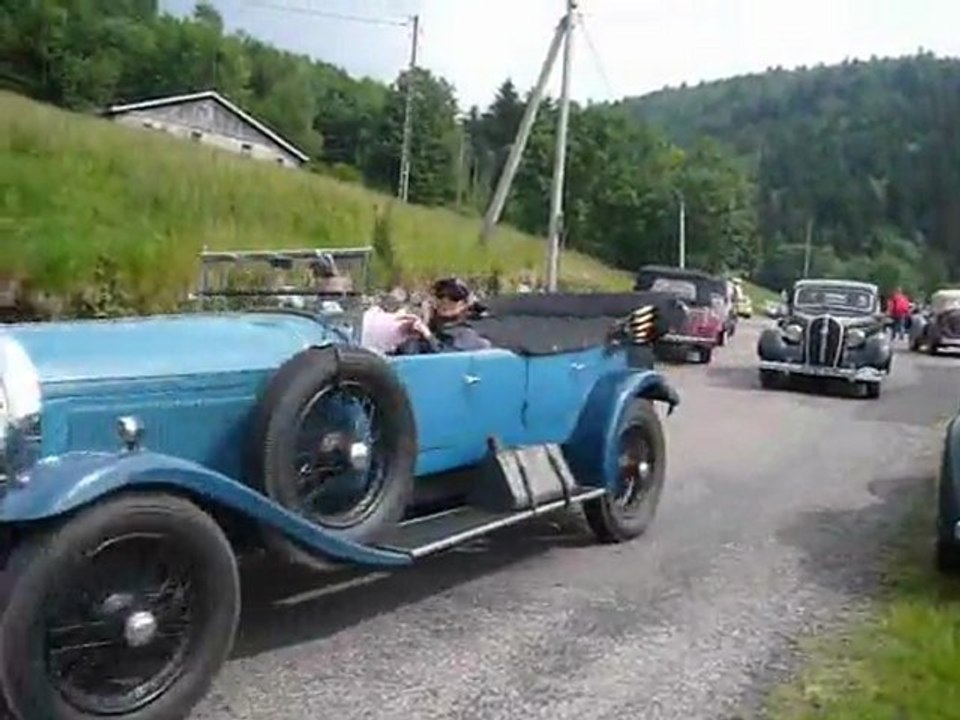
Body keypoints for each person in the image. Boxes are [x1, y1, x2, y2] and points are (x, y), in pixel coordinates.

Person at [394, 277, 491, 353]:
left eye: (454, 298)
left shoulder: (466, 334)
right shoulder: (429, 328)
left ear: (463, 304)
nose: (446, 301)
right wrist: (411, 333)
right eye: (440, 295)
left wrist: (428, 336)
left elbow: (450, 359)